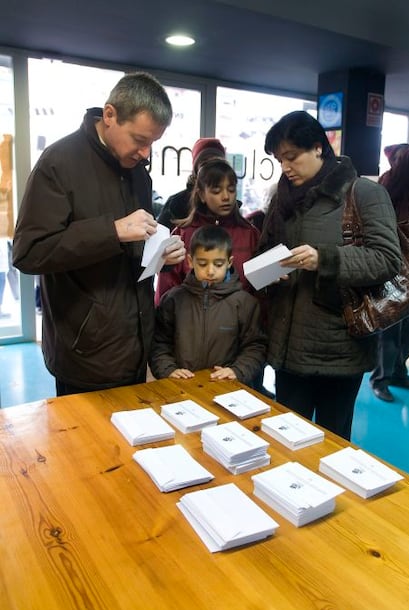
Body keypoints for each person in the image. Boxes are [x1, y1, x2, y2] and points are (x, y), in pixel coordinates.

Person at [12, 72, 185, 396]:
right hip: (84, 354)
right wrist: (111, 231)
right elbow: (28, 251)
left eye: (152, 143)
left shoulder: (138, 174)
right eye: (140, 140)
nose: (146, 153)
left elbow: (134, 248)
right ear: (110, 116)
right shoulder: (59, 163)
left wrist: (162, 253)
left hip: (135, 345)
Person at [256, 110, 401, 440]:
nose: (286, 167)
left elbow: (387, 259)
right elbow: (266, 248)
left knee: (332, 445)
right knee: (287, 443)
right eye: (280, 160)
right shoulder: (283, 199)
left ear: (319, 148)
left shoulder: (362, 193)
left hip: (339, 346)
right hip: (287, 345)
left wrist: (325, 259)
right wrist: (269, 268)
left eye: (292, 157)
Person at [150, 225, 267, 383]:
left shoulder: (245, 303)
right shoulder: (173, 300)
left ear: (229, 262)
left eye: (218, 264)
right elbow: (159, 344)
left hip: (226, 387)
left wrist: (237, 371)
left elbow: (255, 347)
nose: (210, 271)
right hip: (181, 386)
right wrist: (168, 370)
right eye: (203, 264)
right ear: (190, 261)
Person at [155, 158, 260, 304]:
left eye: (231, 190)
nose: (226, 197)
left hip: (238, 321)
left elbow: (258, 291)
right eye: (216, 191)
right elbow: (167, 291)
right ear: (202, 195)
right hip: (190, 321)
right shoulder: (182, 235)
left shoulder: (250, 234)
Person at [370, 144, 409, 402]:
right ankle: (381, 378)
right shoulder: (388, 187)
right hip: (394, 269)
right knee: (391, 327)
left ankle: (398, 371)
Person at [157, 137, 226, 230]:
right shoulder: (177, 203)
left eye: (216, 163)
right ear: (196, 168)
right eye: (205, 163)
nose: (211, 169)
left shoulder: (231, 204)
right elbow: (160, 240)